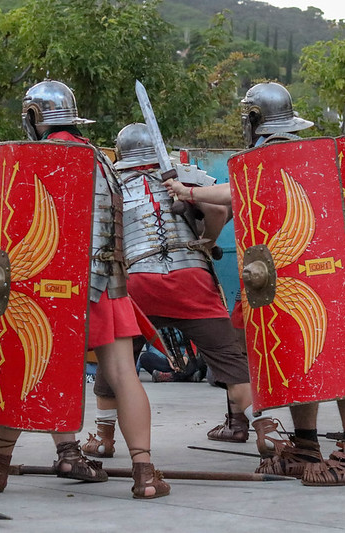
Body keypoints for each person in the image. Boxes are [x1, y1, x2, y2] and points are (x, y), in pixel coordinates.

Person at [0, 79, 169, 498]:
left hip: (52, 286)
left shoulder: (39, 157)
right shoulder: (101, 159)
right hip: (107, 282)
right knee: (124, 375)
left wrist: (0, 195)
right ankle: (145, 474)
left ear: (34, 117)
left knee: (24, 361)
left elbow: (30, 226)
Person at [169, 82, 345, 486]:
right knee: (298, 352)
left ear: (253, 119)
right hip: (288, 267)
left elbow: (237, 190)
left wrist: (188, 191)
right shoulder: (277, 153)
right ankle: (305, 446)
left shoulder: (285, 153)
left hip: (329, 263)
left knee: (341, 353)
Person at [82, 122, 253, 459]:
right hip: (191, 278)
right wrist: (207, 242)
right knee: (231, 361)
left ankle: (104, 438)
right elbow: (219, 208)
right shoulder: (183, 178)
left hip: (136, 283)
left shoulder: (110, 184)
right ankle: (265, 433)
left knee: (116, 363)